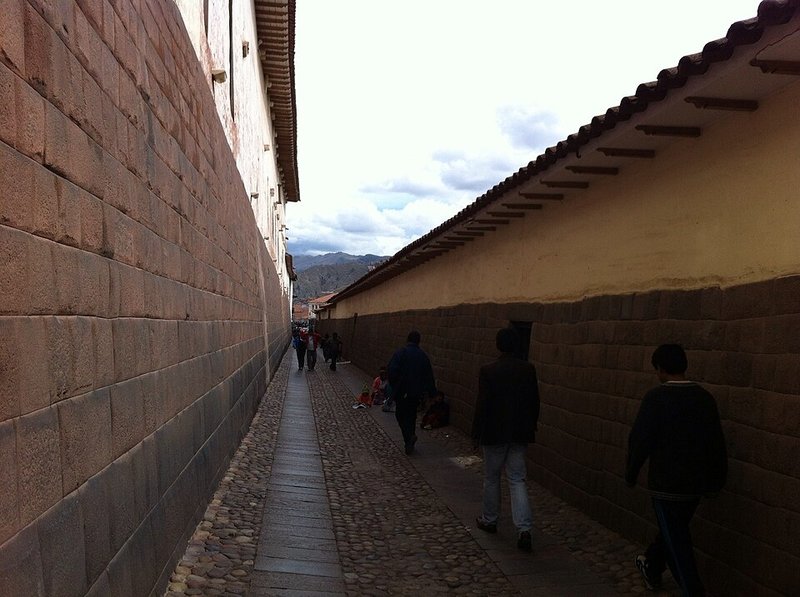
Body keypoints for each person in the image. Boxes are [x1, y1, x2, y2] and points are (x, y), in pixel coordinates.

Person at [626, 344, 727, 596]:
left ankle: (693, 590)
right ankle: (651, 564)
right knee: (674, 531)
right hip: (695, 485)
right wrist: (716, 481)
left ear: (660, 368)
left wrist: (631, 472)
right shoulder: (705, 398)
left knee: (678, 543)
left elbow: (640, 440)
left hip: (666, 486)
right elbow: (716, 442)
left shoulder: (656, 398)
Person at [471, 327, 540, 552]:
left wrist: (476, 433)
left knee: (492, 477)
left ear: (498, 345)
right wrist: (531, 426)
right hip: (519, 432)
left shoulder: (489, 371)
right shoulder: (528, 369)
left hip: (494, 433)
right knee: (517, 479)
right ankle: (524, 528)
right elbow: (534, 402)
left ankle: (490, 520)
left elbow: (482, 405)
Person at [387, 330, 436, 455]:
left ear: (407, 340)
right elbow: (429, 376)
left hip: (402, 392)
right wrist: (431, 393)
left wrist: (395, 386)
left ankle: (408, 437)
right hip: (416, 393)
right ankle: (410, 438)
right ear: (418, 341)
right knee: (411, 415)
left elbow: (392, 371)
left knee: (400, 415)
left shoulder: (401, 353)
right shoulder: (423, 356)